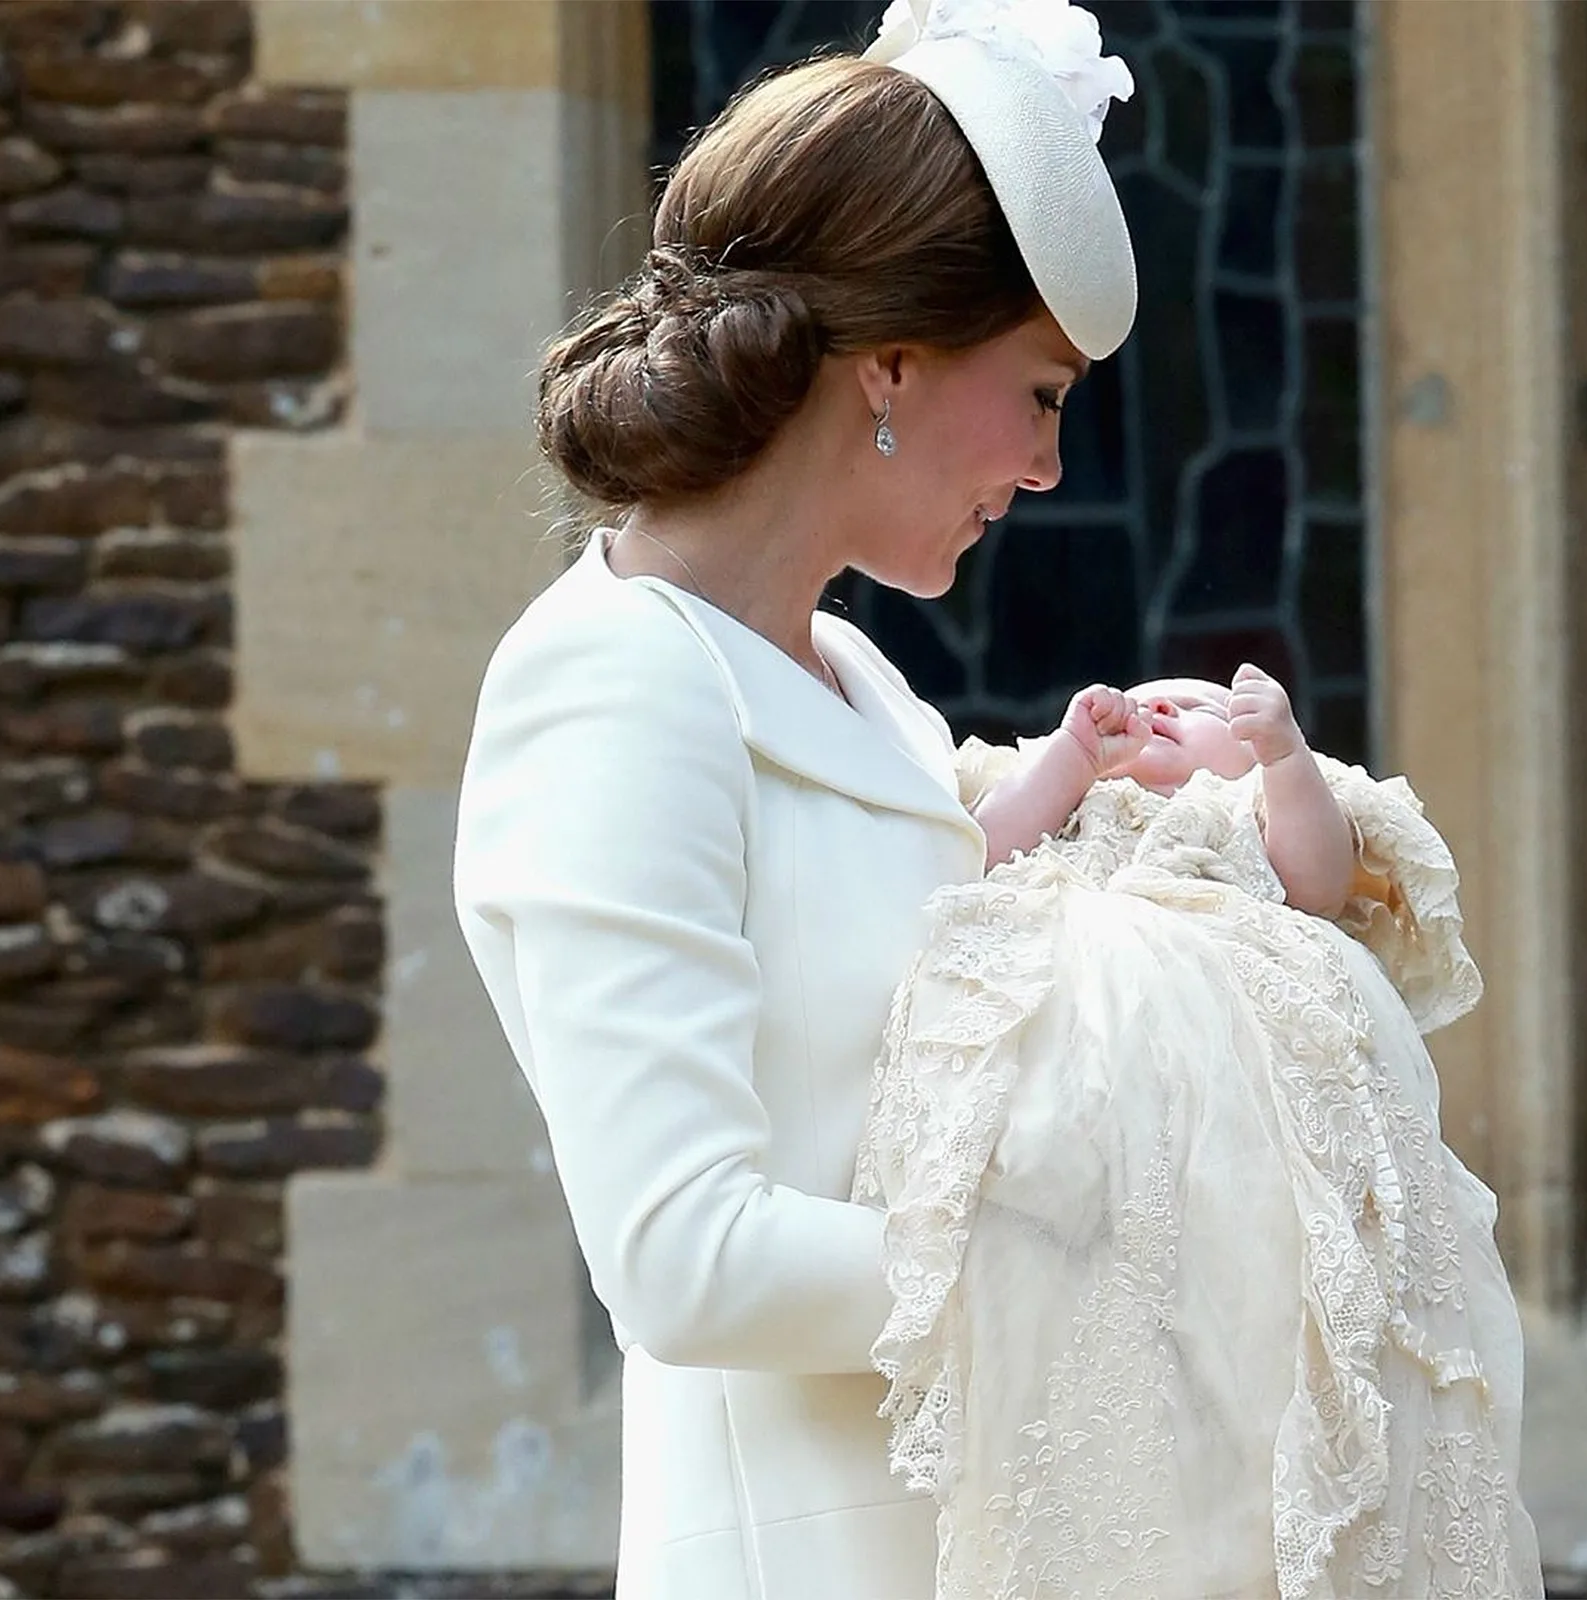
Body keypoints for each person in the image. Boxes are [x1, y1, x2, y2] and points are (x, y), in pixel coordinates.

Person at [452, 1, 1138, 1595]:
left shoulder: (853, 675)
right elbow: (686, 1260)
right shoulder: (613, 682)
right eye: (1039, 394)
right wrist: (1090, 1248)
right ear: (890, 366)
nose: (1045, 469)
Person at [855, 669, 1545, 1599]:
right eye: (1147, 698)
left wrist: (1283, 755)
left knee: (1258, 1283)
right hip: (1087, 1100)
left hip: (1234, 1086)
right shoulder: (1068, 810)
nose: (1169, 708)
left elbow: (1319, 880)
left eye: (1208, 706)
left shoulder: (1250, 810)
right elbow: (970, 856)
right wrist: (1069, 760)